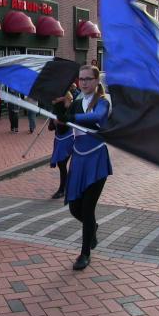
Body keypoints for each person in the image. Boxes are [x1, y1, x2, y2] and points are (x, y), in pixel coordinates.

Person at [56, 65, 112, 271]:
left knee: (88, 209)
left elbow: (96, 117)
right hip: (78, 160)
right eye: (81, 79)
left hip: (96, 158)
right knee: (74, 207)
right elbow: (61, 127)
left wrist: (72, 117)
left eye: (89, 78)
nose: (85, 82)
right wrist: (58, 110)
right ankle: (93, 227)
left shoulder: (103, 103)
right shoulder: (76, 102)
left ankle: (84, 253)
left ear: (97, 81)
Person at [49, 92, 74, 199]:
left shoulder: (68, 104)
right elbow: (50, 127)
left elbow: (71, 120)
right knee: (61, 164)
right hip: (59, 138)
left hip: (69, 137)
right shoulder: (54, 107)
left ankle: (62, 189)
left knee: (62, 162)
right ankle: (65, 187)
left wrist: (60, 122)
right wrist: (53, 123)